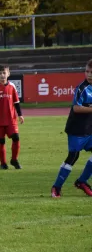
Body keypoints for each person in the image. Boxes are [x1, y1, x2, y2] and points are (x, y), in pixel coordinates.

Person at [51, 59, 92, 198]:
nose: (89, 74)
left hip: (90, 130)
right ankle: (56, 187)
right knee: (73, 157)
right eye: (87, 71)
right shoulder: (82, 88)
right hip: (77, 129)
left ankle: (82, 181)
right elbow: (76, 108)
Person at [0, 64, 24, 169]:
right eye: (0, 73)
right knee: (1, 141)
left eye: (4, 73)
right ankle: (3, 163)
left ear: (8, 73)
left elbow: (16, 102)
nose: (2, 75)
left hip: (11, 119)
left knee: (16, 138)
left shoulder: (12, 86)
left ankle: (14, 160)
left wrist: (20, 115)